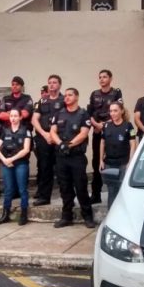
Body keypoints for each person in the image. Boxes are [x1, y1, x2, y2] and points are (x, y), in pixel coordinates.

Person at [51, 88, 97, 229]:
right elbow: (52, 131)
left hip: (76, 156)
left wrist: (69, 145)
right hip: (61, 156)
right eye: (65, 95)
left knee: (81, 187)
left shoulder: (83, 114)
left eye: (70, 95)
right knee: (65, 188)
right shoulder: (59, 114)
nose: (67, 97)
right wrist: (60, 144)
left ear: (77, 97)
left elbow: (83, 134)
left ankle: (88, 217)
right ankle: (66, 217)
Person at [87, 69, 123, 204]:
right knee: (97, 162)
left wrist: (105, 125)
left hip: (112, 132)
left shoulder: (116, 93)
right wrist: (97, 125)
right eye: (100, 77)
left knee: (113, 161)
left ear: (110, 78)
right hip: (97, 131)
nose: (102, 79)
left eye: (105, 77)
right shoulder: (94, 94)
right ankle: (95, 194)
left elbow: (119, 111)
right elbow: (89, 113)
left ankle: (116, 194)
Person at [0, 109, 32, 226]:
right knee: (8, 190)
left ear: (20, 117)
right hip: (7, 164)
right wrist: (4, 160)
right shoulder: (5, 131)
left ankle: (24, 214)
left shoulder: (26, 130)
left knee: (22, 190)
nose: (13, 118)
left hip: (21, 163)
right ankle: (5, 214)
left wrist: (11, 159)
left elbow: (26, 149)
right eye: (11, 116)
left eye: (16, 116)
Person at [31, 74, 64, 206]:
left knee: (62, 169)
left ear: (59, 85)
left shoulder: (65, 100)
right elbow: (34, 119)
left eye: (54, 82)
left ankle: (66, 197)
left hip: (59, 139)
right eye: (49, 82)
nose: (51, 85)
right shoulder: (42, 102)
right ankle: (44, 197)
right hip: (44, 139)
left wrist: (53, 136)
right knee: (45, 168)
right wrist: (45, 134)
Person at [100, 102, 137, 209]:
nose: (113, 113)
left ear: (121, 111)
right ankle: (110, 215)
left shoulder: (129, 126)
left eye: (115, 110)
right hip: (109, 163)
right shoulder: (106, 126)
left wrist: (130, 162)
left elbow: (133, 143)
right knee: (111, 191)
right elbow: (102, 142)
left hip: (123, 163)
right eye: (111, 111)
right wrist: (101, 160)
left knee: (123, 190)